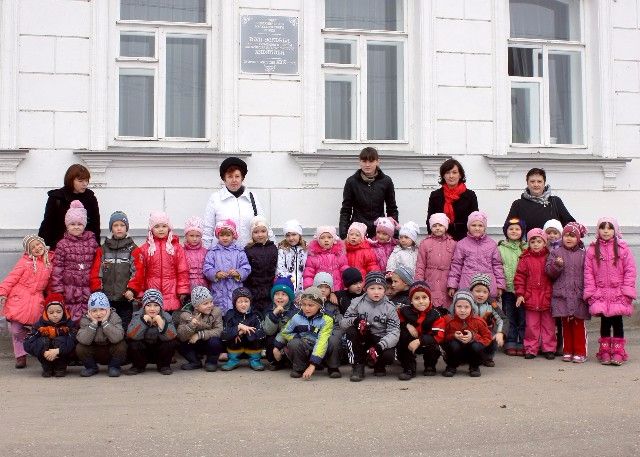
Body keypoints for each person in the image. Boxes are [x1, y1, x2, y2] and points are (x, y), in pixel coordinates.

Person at [584, 217, 637, 366]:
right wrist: (591, 292)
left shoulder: (622, 248)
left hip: (618, 293)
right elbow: (588, 272)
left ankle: (618, 352)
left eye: (609, 228)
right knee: (605, 322)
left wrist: (626, 291)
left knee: (618, 322)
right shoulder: (592, 250)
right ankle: (605, 351)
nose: (606, 231)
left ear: (615, 230)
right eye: (602, 228)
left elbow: (630, 270)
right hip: (600, 294)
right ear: (598, 230)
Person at [0, 234, 54, 368]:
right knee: (15, 330)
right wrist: (3, 292)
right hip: (18, 298)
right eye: (32, 247)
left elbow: (50, 284)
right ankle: (20, 356)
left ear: (43, 244)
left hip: (37, 300)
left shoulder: (50, 262)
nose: (37, 248)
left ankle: (37, 347)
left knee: (39, 328)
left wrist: (52, 298)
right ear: (29, 251)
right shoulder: (24, 262)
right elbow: (12, 278)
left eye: (38, 244)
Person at [340, 271, 400, 382]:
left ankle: (378, 364)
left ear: (384, 290)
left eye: (380, 288)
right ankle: (358, 365)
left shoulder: (390, 307)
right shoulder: (357, 303)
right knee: (351, 331)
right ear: (365, 289)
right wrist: (356, 321)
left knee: (389, 356)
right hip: (363, 338)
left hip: (380, 339)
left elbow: (394, 332)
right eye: (372, 288)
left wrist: (379, 347)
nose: (376, 292)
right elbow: (343, 323)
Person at [128, 211, 190, 313]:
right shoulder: (145, 249)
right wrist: (140, 291)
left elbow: (182, 270)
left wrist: (182, 289)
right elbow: (141, 273)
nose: (161, 229)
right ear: (151, 229)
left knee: (169, 321)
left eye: (164, 226)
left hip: (172, 293)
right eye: (157, 226)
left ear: (169, 228)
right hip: (151, 294)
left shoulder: (176, 248)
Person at [545, 222, 590, 363]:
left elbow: (588, 274)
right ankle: (568, 350)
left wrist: (588, 291)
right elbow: (549, 273)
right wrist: (557, 266)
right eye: (566, 235)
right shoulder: (556, 253)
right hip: (562, 295)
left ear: (578, 238)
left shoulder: (583, 254)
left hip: (578, 295)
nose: (568, 238)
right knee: (565, 325)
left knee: (578, 324)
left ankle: (580, 351)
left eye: (572, 236)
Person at [203, 157, 270, 248]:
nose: (234, 180)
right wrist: (206, 252)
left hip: (249, 252)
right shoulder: (215, 198)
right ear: (224, 179)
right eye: (230, 176)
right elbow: (208, 229)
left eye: (237, 176)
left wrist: (272, 248)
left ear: (242, 178)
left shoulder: (252, 197)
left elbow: (264, 224)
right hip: (222, 254)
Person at [273, 286, 339, 379]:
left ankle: (333, 367)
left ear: (319, 306)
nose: (306, 308)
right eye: (303, 304)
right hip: (305, 348)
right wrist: (277, 347)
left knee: (333, 340)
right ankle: (299, 368)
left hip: (321, 350)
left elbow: (322, 341)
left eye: (310, 305)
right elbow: (284, 332)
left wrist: (313, 364)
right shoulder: (296, 317)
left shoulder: (327, 319)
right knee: (294, 343)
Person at [50, 200, 99, 322]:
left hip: (88, 288)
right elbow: (57, 269)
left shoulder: (92, 243)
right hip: (69, 290)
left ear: (84, 225)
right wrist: (58, 290)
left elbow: (97, 265)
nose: (76, 227)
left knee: (88, 316)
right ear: (67, 225)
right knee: (71, 317)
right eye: (72, 224)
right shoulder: (62, 244)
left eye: (79, 224)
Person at [90, 211, 137, 332]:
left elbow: (137, 272)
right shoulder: (103, 249)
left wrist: (131, 289)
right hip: (107, 298)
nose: (119, 228)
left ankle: (123, 342)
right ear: (111, 228)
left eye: (122, 225)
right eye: (115, 225)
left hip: (125, 298)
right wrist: (98, 291)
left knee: (125, 327)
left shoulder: (133, 249)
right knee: (107, 326)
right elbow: (96, 272)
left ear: (126, 228)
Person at [339, 147, 399, 239]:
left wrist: (394, 235)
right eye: (364, 161)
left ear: (377, 162)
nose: (367, 165)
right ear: (360, 162)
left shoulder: (386, 181)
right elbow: (346, 210)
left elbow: (392, 209)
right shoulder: (351, 182)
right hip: (357, 232)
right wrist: (343, 235)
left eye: (371, 161)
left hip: (379, 232)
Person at [38, 163, 101, 250]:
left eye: (86, 180)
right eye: (80, 181)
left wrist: (96, 246)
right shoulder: (57, 198)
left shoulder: (90, 198)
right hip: (59, 247)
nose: (85, 184)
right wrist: (42, 245)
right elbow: (48, 223)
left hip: (84, 249)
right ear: (70, 180)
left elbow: (95, 224)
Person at [514, 228, 555, 360]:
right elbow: (519, 277)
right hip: (530, 297)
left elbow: (554, 275)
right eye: (532, 242)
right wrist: (520, 294)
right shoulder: (525, 259)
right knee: (531, 326)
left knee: (548, 325)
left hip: (547, 296)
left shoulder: (550, 256)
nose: (536, 244)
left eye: (539, 241)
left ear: (545, 243)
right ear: (528, 243)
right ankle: (531, 349)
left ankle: (549, 348)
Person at [447, 211, 505, 300]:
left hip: (487, 287)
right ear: (468, 227)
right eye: (473, 225)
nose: (477, 228)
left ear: (484, 227)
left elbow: (497, 265)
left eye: (480, 225)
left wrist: (500, 285)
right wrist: (452, 285)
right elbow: (456, 265)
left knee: (487, 309)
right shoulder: (461, 244)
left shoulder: (492, 244)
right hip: (467, 285)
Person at [396, 281, 447, 380]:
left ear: (429, 299)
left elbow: (438, 335)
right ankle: (409, 368)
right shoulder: (404, 311)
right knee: (403, 336)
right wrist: (407, 325)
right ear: (411, 301)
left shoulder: (436, 314)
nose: (421, 301)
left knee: (434, 347)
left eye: (424, 297)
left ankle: (430, 365)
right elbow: (397, 321)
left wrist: (420, 341)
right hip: (410, 343)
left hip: (426, 343)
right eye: (416, 298)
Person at [202, 219, 251, 314]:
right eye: (222, 235)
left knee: (234, 312)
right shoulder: (213, 252)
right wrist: (216, 274)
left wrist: (238, 273)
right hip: (218, 290)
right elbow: (207, 267)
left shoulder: (239, 252)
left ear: (233, 236)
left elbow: (246, 267)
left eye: (228, 235)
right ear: (218, 236)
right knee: (218, 313)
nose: (225, 238)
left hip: (235, 288)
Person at [126, 288, 179, 375]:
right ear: (144, 306)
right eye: (148, 305)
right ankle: (138, 366)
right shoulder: (137, 315)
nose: (152, 309)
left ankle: (164, 366)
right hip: (143, 351)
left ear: (160, 306)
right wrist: (143, 322)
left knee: (171, 342)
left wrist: (161, 323)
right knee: (133, 342)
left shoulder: (166, 316)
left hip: (159, 351)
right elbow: (131, 335)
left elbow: (172, 335)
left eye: (156, 305)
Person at [441, 290, 492, 377]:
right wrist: (453, 336)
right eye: (459, 306)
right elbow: (441, 338)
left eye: (466, 307)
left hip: (472, 351)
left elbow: (488, 339)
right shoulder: (448, 320)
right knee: (453, 344)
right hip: (455, 351)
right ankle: (451, 366)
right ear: (454, 307)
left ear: (471, 307)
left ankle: (474, 366)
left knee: (476, 346)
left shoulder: (478, 321)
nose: (462, 310)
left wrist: (473, 336)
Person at [505, 167, 575, 231]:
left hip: (551, 241)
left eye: (539, 181)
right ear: (527, 183)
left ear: (544, 183)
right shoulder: (518, 205)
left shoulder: (555, 202)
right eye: (532, 181)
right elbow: (508, 227)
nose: (536, 185)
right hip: (527, 241)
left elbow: (570, 224)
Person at [75, 292, 127, 377]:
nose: (98, 314)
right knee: (80, 348)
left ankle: (114, 367)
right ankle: (91, 367)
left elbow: (118, 337)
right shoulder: (85, 319)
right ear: (89, 311)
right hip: (94, 349)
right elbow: (83, 340)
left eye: (102, 309)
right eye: (94, 310)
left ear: (108, 309)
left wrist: (105, 322)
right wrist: (93, 323)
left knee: (121, 345)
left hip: (110, 348)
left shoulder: (114, 317)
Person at [23, 294, 76, 378]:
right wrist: (43, 352)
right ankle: (47, 368)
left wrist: (58, 351)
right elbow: (28, 342)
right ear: (46, 312)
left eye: (58, 312)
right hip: (45, 355)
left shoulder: (69, 324)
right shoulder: (39, 325)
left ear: (63, 311)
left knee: (62, 340)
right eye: (51, 312)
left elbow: (74, 341)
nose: (55, 315)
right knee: (43, 341)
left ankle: (60, 368)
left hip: (62, 354)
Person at [426, 159, 479, 241]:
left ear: (460, 175)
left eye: (454, 172)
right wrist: (432, 239)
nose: (451, 176)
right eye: (447, 173)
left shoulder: (470, 195)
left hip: (465, 239)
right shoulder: (435, 195)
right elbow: (430, 220)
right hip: (441, 239)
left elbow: (475, 219)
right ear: (443, 175)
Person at [176, 286, 224, 372]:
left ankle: (211, 362)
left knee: (215, 342)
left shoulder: (216, 311)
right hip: (193, 343)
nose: (210, 305)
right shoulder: (185, 315)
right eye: (205, 304)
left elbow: (219, 330)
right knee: (180, 343)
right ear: (196, 306)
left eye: (211, 302)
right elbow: (181, 335)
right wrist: (191, 325)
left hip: (208, 342)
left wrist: (199, 335)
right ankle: (195, 362)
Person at [415, 213, 456, 312]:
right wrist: (419, 283)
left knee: (447, 309)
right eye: (434, 226)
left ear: (445, 226)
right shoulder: (425, 243)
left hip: (446, 282)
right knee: (430, 308)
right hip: (430, 280)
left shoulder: (453, 244)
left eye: (440, 225)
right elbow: (420, 265)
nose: (437, 228)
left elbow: (456, 266)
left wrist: (453, 285)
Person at [498, 217, 527, 356]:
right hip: (508, 289)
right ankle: (510, 341)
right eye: (511, 229)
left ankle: (522, 341)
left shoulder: (526, 248)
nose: (514, 231)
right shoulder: (500, 248)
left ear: (522, 231)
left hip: (523, 291)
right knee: (509, 316)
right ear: (506, 231)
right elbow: (497, 267)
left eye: (517, 229)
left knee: (523, 317)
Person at [220, 287, 266, 371]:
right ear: (234, 303)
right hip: (236, 345)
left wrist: (246, 331)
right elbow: (224, 335)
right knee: (231, 335)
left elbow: (262, 333)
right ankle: (233, 360)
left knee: (257, 337)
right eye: (240, 302)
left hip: (251, 343)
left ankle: (255, 360)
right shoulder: (230, 314)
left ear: (250, 302)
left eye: (246, 301)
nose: (243, 304)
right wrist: (237, 329)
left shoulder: (255, 314)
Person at [468, 274, 507, 367]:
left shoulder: (491, 304)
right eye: (477, 291)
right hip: (470, 333)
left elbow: (503, 319)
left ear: (488, 293)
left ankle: (488, 357)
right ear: (471, 291)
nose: (481, 294)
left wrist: (500, 333)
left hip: (486, 332)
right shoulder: (466, 302)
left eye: (485, 292)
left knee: (494, 337)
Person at [244, 216, 278, 316]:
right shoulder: (248, 250)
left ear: (267, 232)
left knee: (269, 314)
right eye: (256, 232)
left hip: (270, 288)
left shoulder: (273, 248)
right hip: (254, 289)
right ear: (251, 234)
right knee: (255, 315)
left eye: (263, 231)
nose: (260, 235)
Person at [263, 277, 297, 371]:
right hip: (274, 338)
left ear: (289, 297)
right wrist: (274, 314)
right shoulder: (269, 310)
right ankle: (275, 362)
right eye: (277, 294)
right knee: (270, 339)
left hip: (287, 338)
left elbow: (288, 331)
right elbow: (268, 331)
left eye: (284, 294)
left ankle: (290, 360)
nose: (280, 297)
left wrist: (277, 347)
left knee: (294, 342)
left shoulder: (294, 312)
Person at [303, 225, 349, 291]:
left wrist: (346, 286)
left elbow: (345, 272)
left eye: (329, 237)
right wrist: (309, 289)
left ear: (334, 239)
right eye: (322, 238)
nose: (326, 240)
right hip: (320, 290)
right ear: (318, 240)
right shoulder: (313, 256)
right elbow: (309, 275)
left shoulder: (339, 255)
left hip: (337, 289)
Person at [276, 219, 308, 296]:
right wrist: (287, 280)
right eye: (288, 235)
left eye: (294, 234)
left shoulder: (305, 249)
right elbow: (280, 268)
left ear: (299, 235)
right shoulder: (282, 250)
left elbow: (308, 267)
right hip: (287, 285)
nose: (291, 238)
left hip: (302, 286)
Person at [182, 216, 209, 289]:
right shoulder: (182, 251)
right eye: (191, 236)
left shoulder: (205, 252)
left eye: (197, 236)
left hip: (203, 286)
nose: (194, 239)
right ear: (186, 236)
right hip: (187, 287)